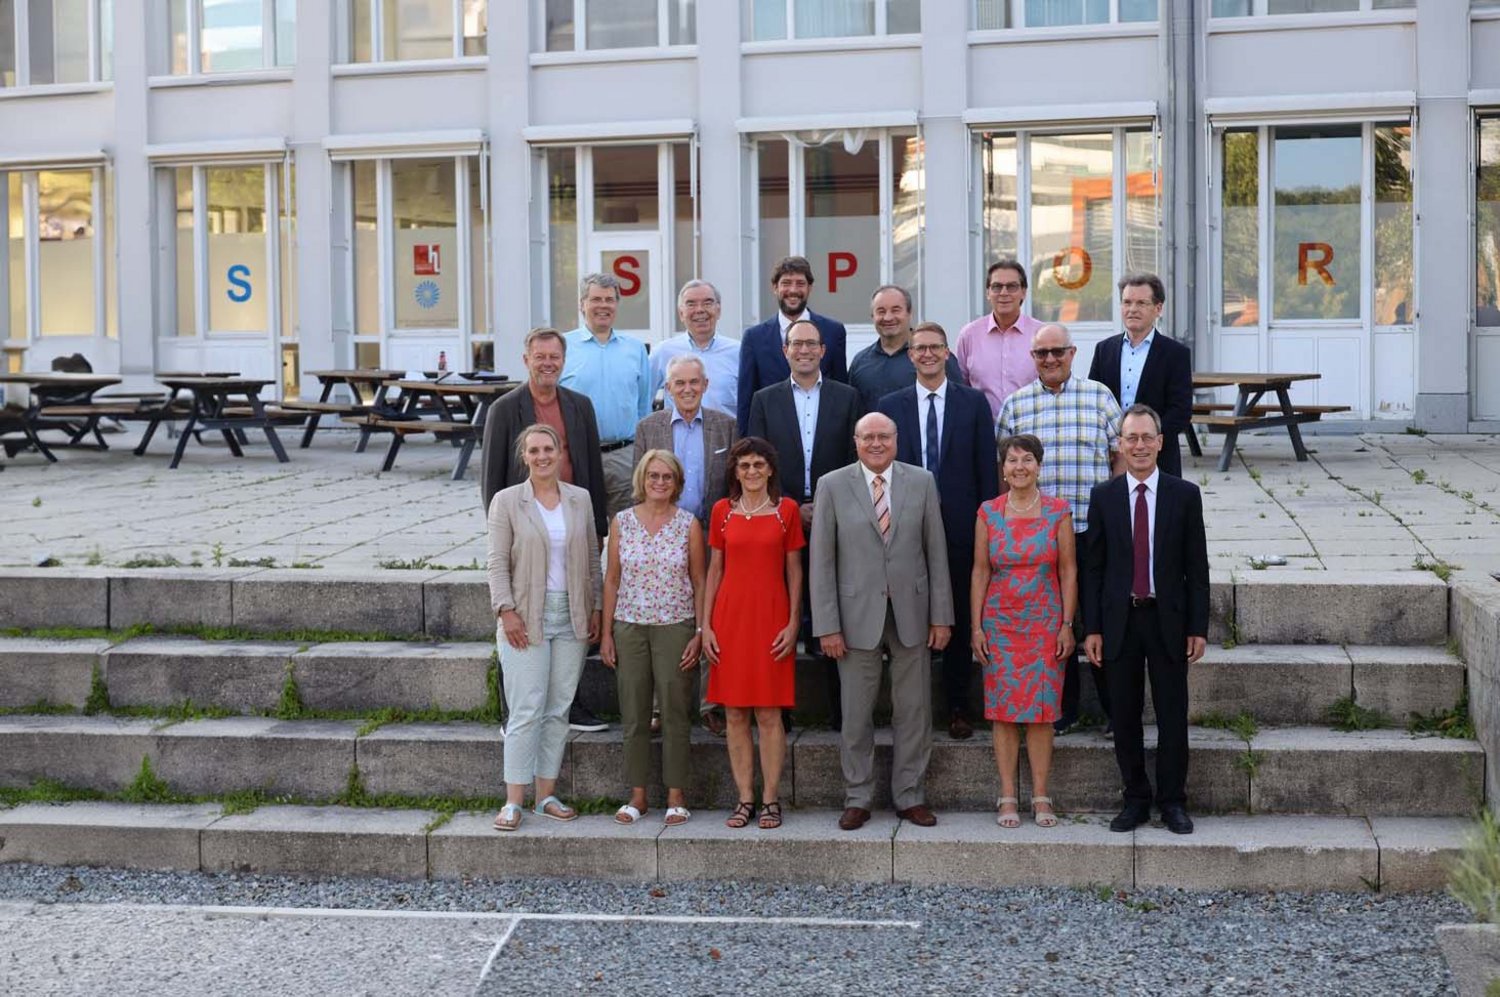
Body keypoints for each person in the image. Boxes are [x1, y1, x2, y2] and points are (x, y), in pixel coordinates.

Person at [811, 412, 953, 832]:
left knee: (914, 710)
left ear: (896, 439)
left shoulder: (921, 481)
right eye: (867, 437)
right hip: (854, 619)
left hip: (912, 612)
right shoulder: (833, 485)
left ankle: (910, 797)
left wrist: (941, 617)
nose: (876, 443)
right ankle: (858, 797)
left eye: (883, 436)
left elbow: (936, 552)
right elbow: (822, 562)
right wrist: (827, 626)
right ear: (855, 441)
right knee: (856, 713)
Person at [1083, 404, 1210, 836]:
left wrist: (1198, 627)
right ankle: (1135, 798)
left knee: (1173, 715)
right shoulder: (1104, 497)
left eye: (1146, 438)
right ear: (1120, 444)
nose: (1138, 446)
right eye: (1130, 438)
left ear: (1160, 442)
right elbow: (1094, 569)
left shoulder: (1184, 494)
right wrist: (1093, 628)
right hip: (1120, 623)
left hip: (1168, 621)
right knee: (1124, 715)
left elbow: (1198, 567)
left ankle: (1173, 800)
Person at [481, 328, 610, 734]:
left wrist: (597, 528)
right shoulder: (505, 409)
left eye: (554, 357)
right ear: (526, 360)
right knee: (518, 619)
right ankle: (512, 712)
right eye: (540, 357)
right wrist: (504, 532)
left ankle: (569, 705)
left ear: (563, 360)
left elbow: (591, 467)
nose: (547, 363)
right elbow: (492, 480)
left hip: (571, 522)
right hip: (524, 530)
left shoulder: (580, 406)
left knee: (573, 616)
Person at [997, 322, 1122, 736]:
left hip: (1092, 530)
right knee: (1052, 624)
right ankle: (1062, 711)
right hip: (1037, 540)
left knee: (1101, 620)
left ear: (1072, 354)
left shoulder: (1099, 397)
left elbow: (1117, 457)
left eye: (1057, 352)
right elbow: (1007, 473)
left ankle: (1113, 711)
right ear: (1031, 358)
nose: (1049, 359)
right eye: (1041, 354)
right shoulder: (1015, 405)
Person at [876, 321, 997, 741]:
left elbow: (986, 470)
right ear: (909, 355)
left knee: (961, 616)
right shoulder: (891, 405)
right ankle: (915, 709)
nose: (927, 354)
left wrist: (986, 525)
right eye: (919, 348)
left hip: (963, 527)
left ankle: (959, 705)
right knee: (911, 616)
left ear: (949, 353)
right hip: (904, 528)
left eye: (935, 347)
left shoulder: (974, 404)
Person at [486, 423, 602, 832]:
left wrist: (596, 608)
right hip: (525, 616)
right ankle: (513, 801)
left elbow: (591, 559)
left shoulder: (579, 500)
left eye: (548, 449)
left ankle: (546, 795)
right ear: (525, 456)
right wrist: (506, 610)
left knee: (557, 710)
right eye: (534, 450)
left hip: (571, 615)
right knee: (526, 709)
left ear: (560, 452)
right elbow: (497, 562)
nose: (542, 456)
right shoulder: (506, 502)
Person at [747, 318, 861, 729]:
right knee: (782, 611)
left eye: (812, 344)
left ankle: (839, 712)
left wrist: (827, 505)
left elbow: (855, 460)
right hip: (780, 515)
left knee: (834, 611)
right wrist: (792, 505)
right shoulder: (765, 399)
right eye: (797, 344)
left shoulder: (848, 398)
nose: (805, 351)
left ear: (823, 350)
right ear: (785, 351)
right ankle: (783, 710)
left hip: (837, 517)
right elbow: (757, 461)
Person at [972, 434, 1077, 829]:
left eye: (1027, 460)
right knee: (1002, 712)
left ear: (1039, 465)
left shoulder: (1057, 512)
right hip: (1000, 622)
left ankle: (1041, 794)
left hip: (1045, 622)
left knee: (1041, 713)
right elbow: (980, 570)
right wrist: (976, 625)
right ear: (1003, 468)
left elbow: (1067, 570)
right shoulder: (988, 512)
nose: (1019, 467)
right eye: (1012, 460)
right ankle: (1007, 795)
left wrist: (1067, 624)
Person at [702, 437, 805, 831]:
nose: (751, 472)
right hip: (730, 620)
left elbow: (795, 570)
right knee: (734, 713)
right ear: (735, 471)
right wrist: (706, 625)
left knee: (768, 712)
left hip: (771, 620)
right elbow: (715, 569)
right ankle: (744, 797)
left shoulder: (786, 511)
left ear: (770, 469)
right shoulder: (722, 512)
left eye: (758, 464)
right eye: (744, 465)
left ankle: (771, 799)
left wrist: (794, 622)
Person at [599, 450, 706, 828]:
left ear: (677, 483)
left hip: (675, 624)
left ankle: (676, 796)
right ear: (641, 479)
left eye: (667, 477)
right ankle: (637, 795)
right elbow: (611, 578)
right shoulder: (622, 522)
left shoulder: (688, 525)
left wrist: (699, 630)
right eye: (653, 476)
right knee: (634, 712)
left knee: (676, 710)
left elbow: (699, 580)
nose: (659, 482)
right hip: (630, 625)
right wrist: (607, 633)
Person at [634, 354, 738, 735]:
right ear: (668, 388)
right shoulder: (649, 428)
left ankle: (712, 702)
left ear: (706, 385)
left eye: (695, 382)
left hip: (713, 533)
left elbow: (735, 483)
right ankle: (663, 706)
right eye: (679, 383)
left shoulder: (726, 427)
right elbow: (639, 485)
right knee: (668, 618)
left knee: (713, 615)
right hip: (666, 535)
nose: (688, 389)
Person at [560, 273, 652, 518]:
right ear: (582, 304)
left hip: (624, 457)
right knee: (580, 533)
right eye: (596, 299)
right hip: (577, 456)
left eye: (610, 300)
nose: (603, 305)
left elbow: (644, 407)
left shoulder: (635, 349)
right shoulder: (563, 347)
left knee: (627, 534)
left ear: (617, 304)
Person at [1087, 273, 1193, 477]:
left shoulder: (1175, 354)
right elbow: (1093, 402)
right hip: (1111, 458)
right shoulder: (1104, 350)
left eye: (1141, 303)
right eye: (1127, 302)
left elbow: (1180, 411)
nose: (1132, 309)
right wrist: (1115, 443)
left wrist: (1146, 441)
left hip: (1158, 460)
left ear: (1158, 308)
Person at [737, 255, 848, 436]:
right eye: (786, 283)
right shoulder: (754, 338)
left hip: (824, 438)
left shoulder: (833, 331)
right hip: (772, 441)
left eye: (800, 283)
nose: (793, 290)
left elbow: (842, 392)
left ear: (810, 288)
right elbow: (745, 401)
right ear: (775, 287)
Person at [848, 285, 964, 412]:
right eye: (881, 311)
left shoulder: (934, 357)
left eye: (896, 310)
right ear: (872, 317)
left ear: (910, 313)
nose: (888, 317)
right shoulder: (860, 362)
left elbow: (959, 403)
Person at [956, 259, 1046, 420]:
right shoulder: (969, 335)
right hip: (983, 432)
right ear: (988, 293)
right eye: (997, 287)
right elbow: (961, 387)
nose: (1004, 293)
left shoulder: (1041, 334)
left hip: (1031, 431)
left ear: (1023, 292)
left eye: (1011, 286)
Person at [650, 280, 740, 419]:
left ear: (718, 310)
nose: (700, 310)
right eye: (691, 304)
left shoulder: (739, 352)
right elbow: (643, 399)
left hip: (727, 438)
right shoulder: (663, 352)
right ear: (681, 313)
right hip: (677, 439)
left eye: (707, 303)